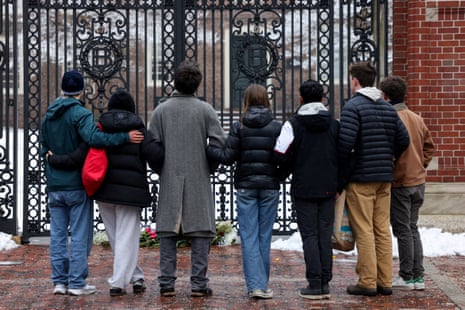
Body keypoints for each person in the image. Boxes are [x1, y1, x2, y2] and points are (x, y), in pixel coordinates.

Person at [48, 89, 165, 296]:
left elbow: (79, 155)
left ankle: (136, 277)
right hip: (130, 194)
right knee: (126, 238)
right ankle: (117, 283)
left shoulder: (99, 128)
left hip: (104, 191)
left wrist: (54, 159)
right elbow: (155, 155)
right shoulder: (138, 129)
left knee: (117, 238)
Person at [148, 60, 226, 298]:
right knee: (201, 230)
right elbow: (219, 143)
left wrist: (160, 165)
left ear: (175, 83)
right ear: (197, 85)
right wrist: (208, 166)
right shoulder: (206, 110)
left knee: (168, 232)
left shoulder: (161, 110)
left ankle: (167, 283)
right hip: (198, 176)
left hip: (170, 175)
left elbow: (152, 145)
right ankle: (198, 284)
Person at [338, 62, 410, 297]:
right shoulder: (388, 108)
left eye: (351, 79)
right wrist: (390, 158)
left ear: (356, 81)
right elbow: (404, 140)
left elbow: (345, 144)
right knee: (382, 229)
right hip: (384, 178)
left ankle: (368, 281)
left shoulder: (353, 107)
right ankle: (385, 280)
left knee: (364, 230)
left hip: (361, 177)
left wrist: (344, 171)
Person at [207, 84, 282, 299]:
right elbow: (284, 156)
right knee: (264, 236)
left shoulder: (239, 126)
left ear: (246, 100)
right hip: (269, 186)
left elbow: (228, 157)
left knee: (249, 236)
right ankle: (262, 284)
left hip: (246, 186)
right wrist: (278, 175)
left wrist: (208, 148)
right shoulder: (277, 127)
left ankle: (256, 286)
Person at [274, 79, 340, 300]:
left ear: (301, 98)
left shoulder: (293, 124)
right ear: (322, 98)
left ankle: (314, 282)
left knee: (309, 235)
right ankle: (325, 279)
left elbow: (280, 154)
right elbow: (343, 153)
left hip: (303, 186)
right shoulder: (333, 124)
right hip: (329, 187)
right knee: (324, 233)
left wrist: (290, 166)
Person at [379, 76, 435, 291]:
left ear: (385, 96)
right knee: (412, 228)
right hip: (418, 180)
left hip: (401, 182)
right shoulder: (416, 118)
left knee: (403, 230)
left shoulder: (391, 118)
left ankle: (407, 275)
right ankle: (418, 276)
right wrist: (421, 164)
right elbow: (430, 147)